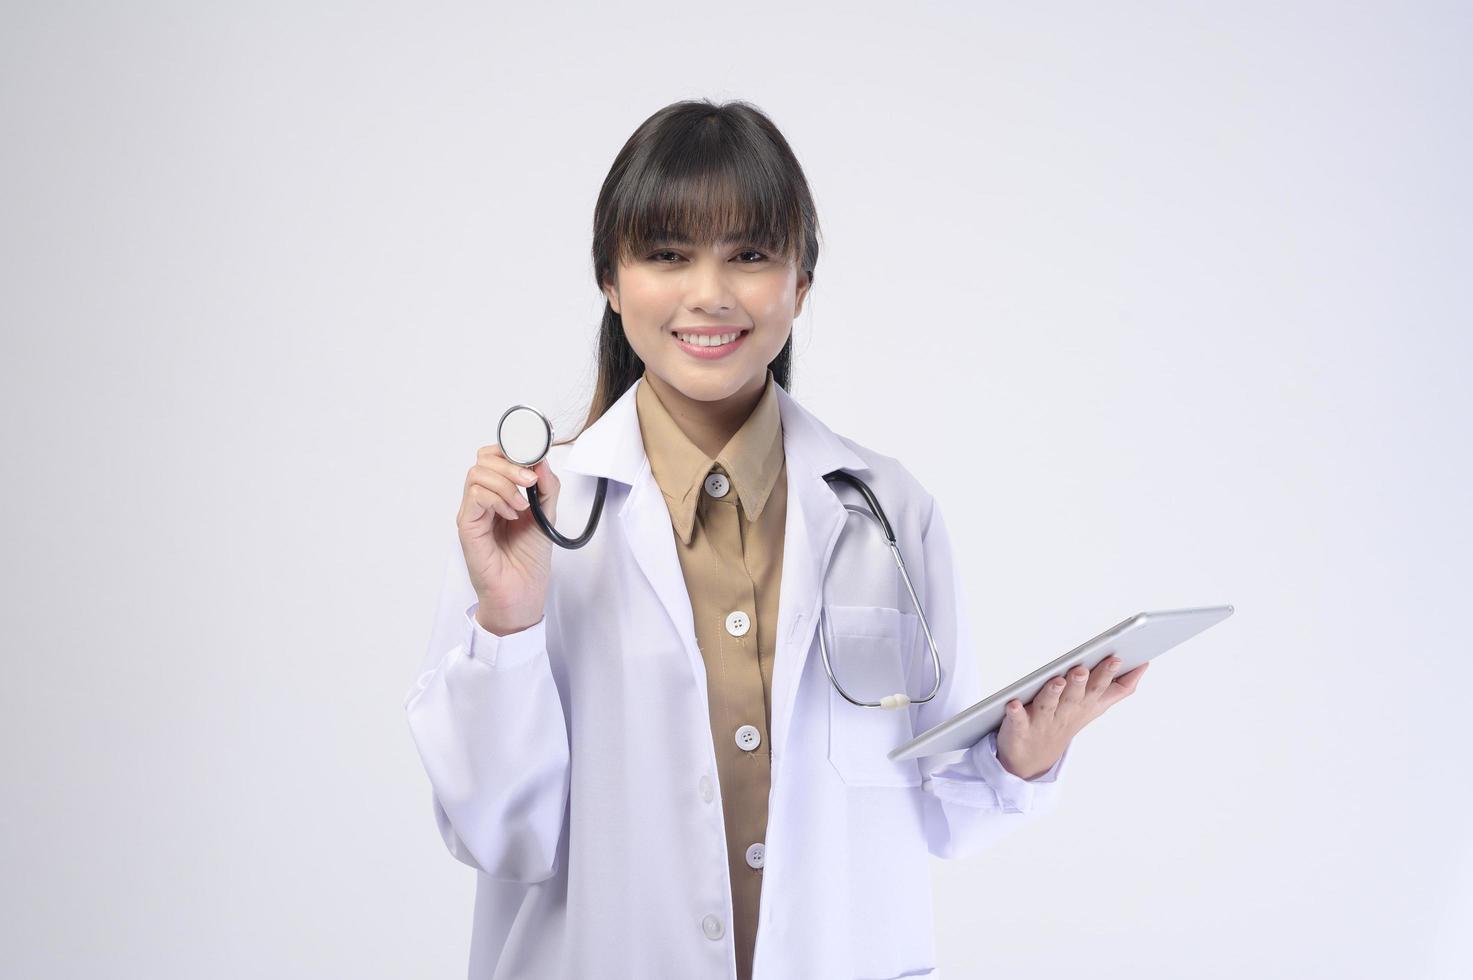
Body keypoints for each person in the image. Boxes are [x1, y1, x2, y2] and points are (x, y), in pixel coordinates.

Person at [404, 98, 1148, 980]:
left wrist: (1024, 757)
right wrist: (509, 620)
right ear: (610, 279)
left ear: (799, 282)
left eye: (749, 254)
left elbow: (945, 814)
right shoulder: (539, 518)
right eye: (666, 255)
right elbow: (494, 830)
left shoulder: (888, 510)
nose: (708, 294)